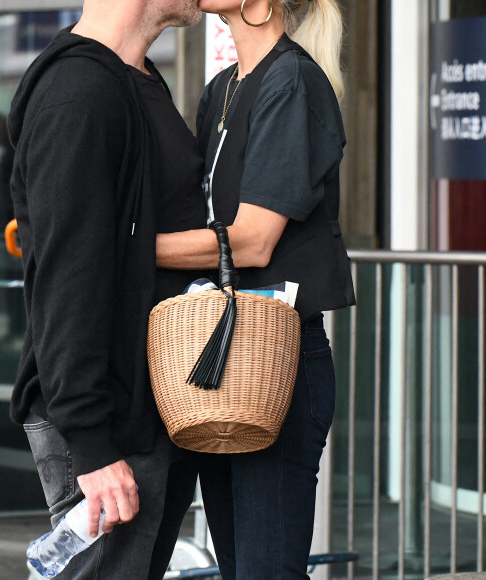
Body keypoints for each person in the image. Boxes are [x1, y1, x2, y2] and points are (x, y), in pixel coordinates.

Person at [156, 0, 356, 577]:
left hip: (277, 361)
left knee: (265, 571)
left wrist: (123, 249)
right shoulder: (222, 87)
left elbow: (251, 242)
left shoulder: (291, 79)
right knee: (242, 566)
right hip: (224, 354)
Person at [6, 1, 206, 578]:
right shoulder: (79, 94)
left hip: (144, 407)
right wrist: (92, 445)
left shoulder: (135, 78)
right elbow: (70, 276)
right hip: (103, 421)